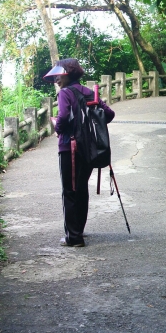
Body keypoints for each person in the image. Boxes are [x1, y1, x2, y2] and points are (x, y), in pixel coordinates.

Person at [44, 58, 115, 247]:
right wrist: (89, 123)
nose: (56, 80)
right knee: (81, 188)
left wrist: (58, 127)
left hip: (69, 147)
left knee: (69, 190)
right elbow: (108, 114)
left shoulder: (65, 93)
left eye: (59, 75)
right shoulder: (89, 92)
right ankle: (78, 231)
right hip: (88, 149)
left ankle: (74, 237)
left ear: (68, 74)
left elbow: (64, 116)